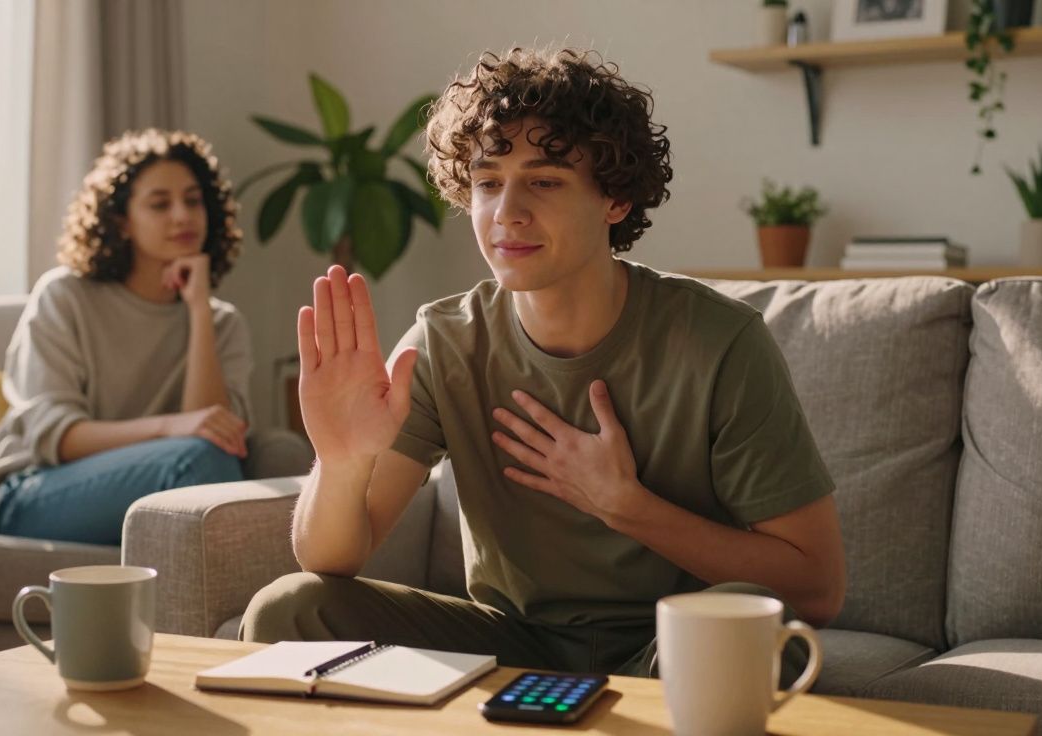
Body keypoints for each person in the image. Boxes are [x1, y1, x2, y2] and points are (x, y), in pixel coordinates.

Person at [243, 48, 846, 680]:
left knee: (741, 622)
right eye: (487, 182)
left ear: (614, 200)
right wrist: (340, 463)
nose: (507, 212)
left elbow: (816, 587)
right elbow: (331, 559)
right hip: (510, 644)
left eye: (546, 180)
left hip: (671, 645)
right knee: (293, 609)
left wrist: (626, 506)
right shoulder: (445, 341)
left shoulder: (720, 341)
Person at [0, 129, 253, 546]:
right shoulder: (65, 297)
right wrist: (172, 427)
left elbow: (214, 431)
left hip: (164, 488)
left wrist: (199, 312)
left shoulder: (223, 324)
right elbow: (58, 440)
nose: (183, 215)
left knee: (207, 465)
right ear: (121, 221)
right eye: (160, 204)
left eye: (193, 200)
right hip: (36, 494)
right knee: (199, 465)